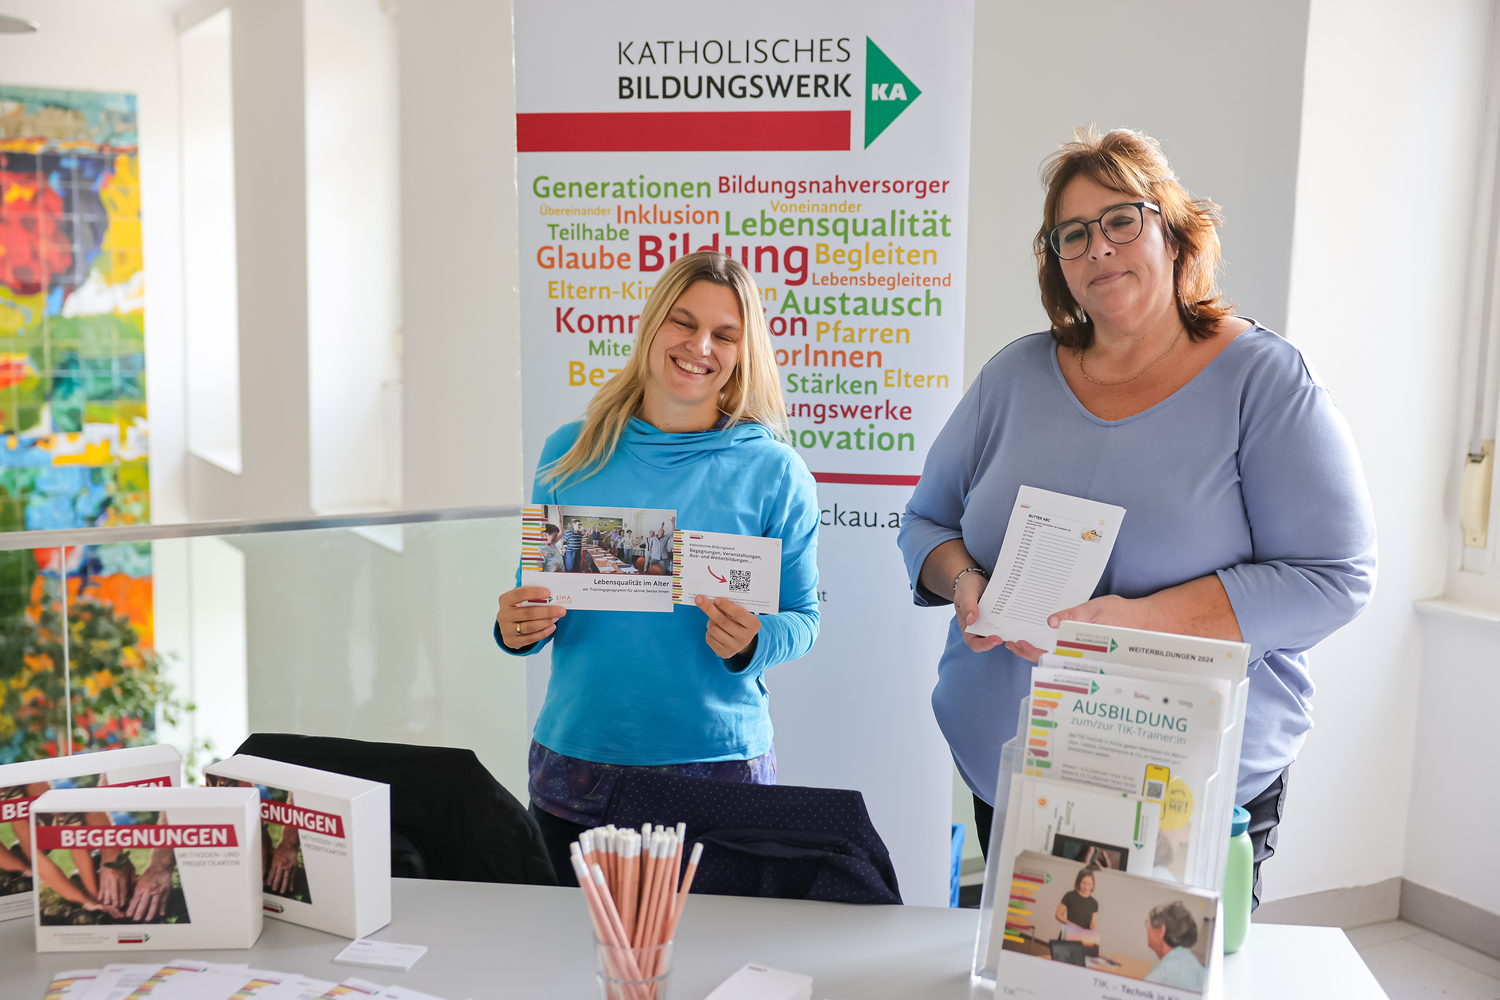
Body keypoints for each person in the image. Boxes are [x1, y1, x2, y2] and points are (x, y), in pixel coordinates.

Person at [897, 127, 1376, 909]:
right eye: (1072, 234)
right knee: (1023, 966)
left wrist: (1137, 622)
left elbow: (1334, 577)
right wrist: (965, 584)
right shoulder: (1013, 377)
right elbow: (925, 523)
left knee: (1157, 968)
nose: (1098, 247)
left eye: (1122, 220)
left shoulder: (1262, 381)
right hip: (1013, 771)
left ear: (1175, 233)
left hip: (1185, 786)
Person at [493, 251, 820, 884]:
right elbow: (532, 596)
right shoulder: (570, 451)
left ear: (743, 352)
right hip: (578, 769)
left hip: (719, 771)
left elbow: (804, 618)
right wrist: (515, 626)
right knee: (570, 946)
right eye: (683, 322)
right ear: (652, 325)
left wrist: (756, 640)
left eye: (724, 334)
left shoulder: (776, 472)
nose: (700, 346)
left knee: (710, 948)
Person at [1142, 901, 1207, 990]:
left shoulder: (1167, 969)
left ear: (1161, 931)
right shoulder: (1199, 969)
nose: (1147, 929)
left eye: (1149, 924)